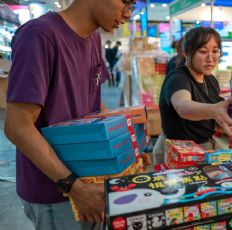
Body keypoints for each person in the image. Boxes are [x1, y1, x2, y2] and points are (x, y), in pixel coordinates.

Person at [4, 0, 137, 229]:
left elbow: (93, 104)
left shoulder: (93, 38)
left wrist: (126, 152)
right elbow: (18, 126)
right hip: (56, 189)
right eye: (126, 2)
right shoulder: (39, 35)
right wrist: (74, 186)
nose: (127, 14)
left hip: (88, 179)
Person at [153, 27, 232, 165]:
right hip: (176, 151)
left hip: (203, 148)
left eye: (215, 51)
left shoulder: (210, 80)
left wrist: (223, 124)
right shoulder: (178, 78)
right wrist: (214, 110)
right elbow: (183, 106)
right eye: (202, 51)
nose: (210, 58)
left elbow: (205, 116)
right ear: (187, 52)